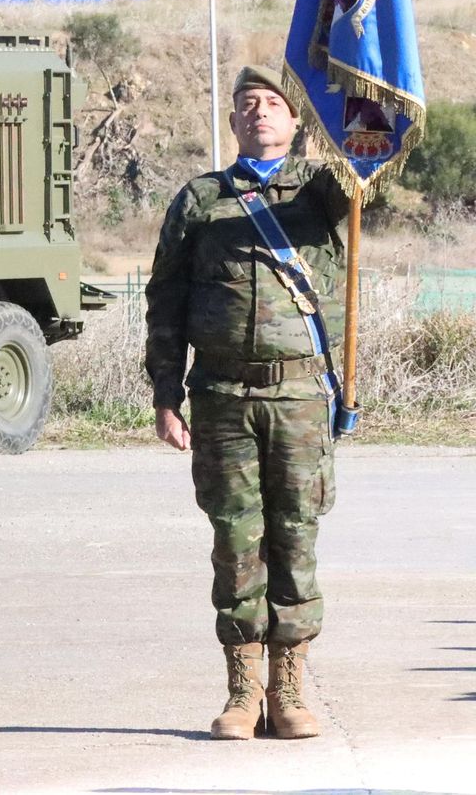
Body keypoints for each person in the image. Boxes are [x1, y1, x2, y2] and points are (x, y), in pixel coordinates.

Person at [145, 65, 349, 741]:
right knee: (235, 543)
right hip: (222, 396)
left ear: (295, 121)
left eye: (272, 104)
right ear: (231, 122)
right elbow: (166, 301)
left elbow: (366, 182)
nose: (258, 113)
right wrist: (165, 392)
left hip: (298, 395)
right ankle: (242, 691)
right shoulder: (201, 199)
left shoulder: (323, 193)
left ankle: (289, 690)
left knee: (295, 536)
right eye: (246, 105)